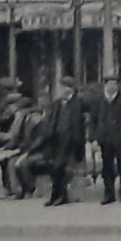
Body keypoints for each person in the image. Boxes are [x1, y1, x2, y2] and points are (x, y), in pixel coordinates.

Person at [88, 74, 121, 205]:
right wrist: (93, 139)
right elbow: (93, 121)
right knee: (107, 168)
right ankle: (109, 194)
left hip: (119, 138)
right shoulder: (98, 101)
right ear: (105, 85)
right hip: (104, 139)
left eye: (115, 84)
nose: (112, 86)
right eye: (110, 84)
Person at [44, 76, 87, 208]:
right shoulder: (56, 103)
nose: (62, 89)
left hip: (70, 141)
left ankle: (61, 196)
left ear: (71, 89)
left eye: (65, 87)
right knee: (54, 167)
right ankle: (55, 196)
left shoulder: (78, 103)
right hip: (55, 140)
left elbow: (81, 125)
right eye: (61, 87)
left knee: (59, 167)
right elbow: (51, 121)